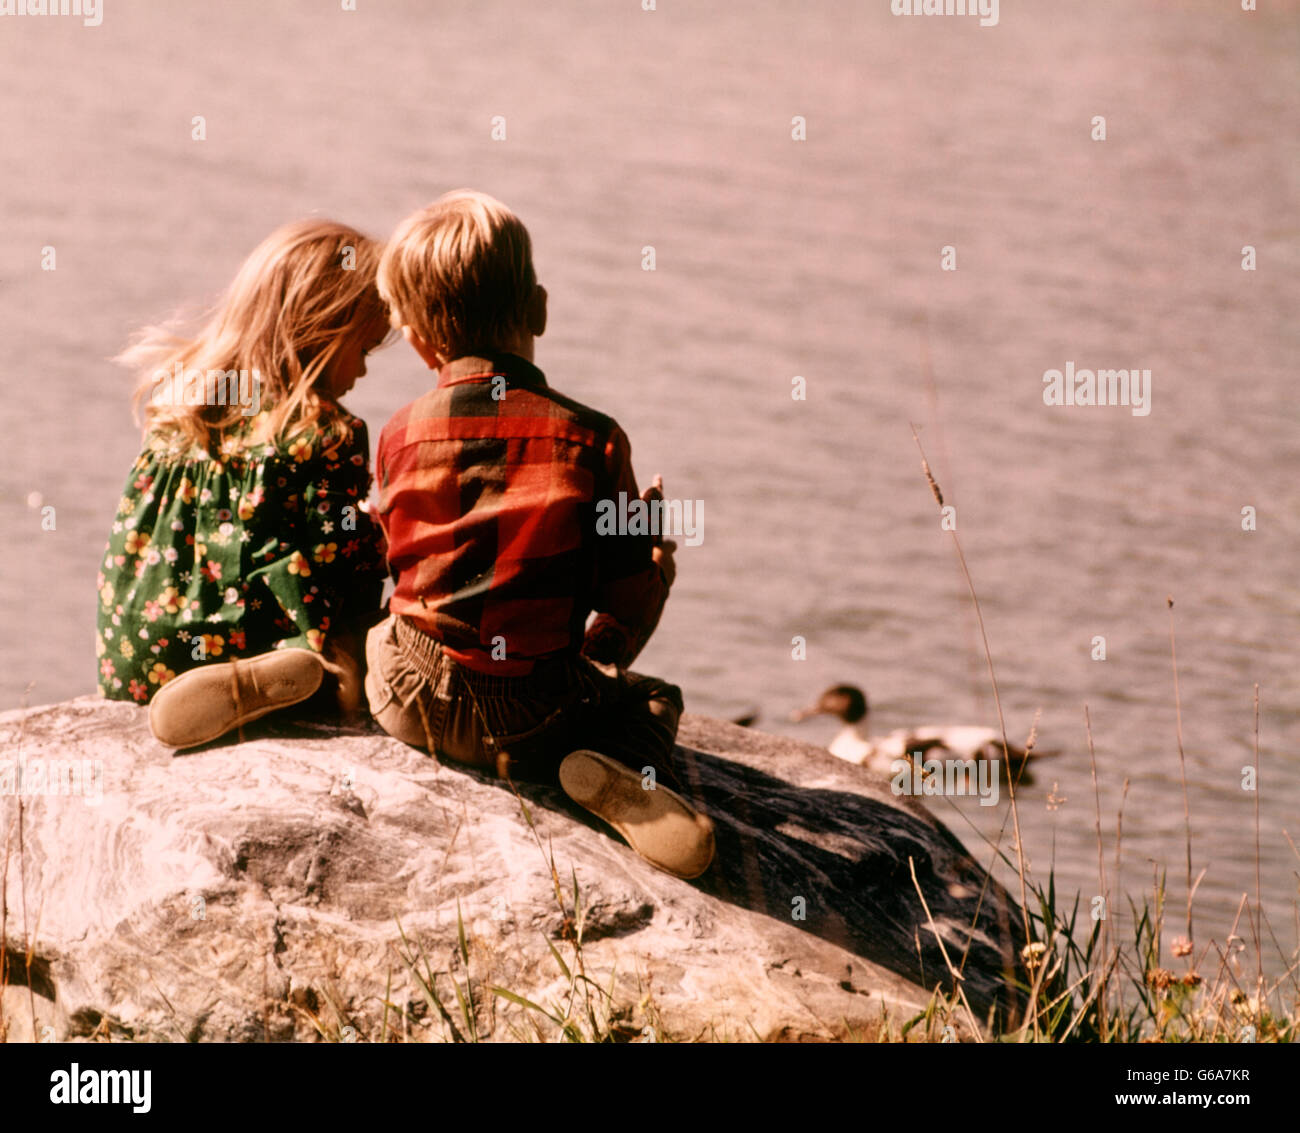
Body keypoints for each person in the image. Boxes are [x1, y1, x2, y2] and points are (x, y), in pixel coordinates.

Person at [367, 189, 714, 879]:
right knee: (654, 699)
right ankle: (619, 771)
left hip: (409, 699)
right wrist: (651, 563)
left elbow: (406, 558)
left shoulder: (399, 433)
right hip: (535, 719)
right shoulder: (593, 440)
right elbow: (622, 596)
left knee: (377, 632)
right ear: (540, 308)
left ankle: (330, 679)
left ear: (415, 339)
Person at [95, 219, 392, 748]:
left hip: (135, 654)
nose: (364, 373)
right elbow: (336, 567)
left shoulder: (179, 405)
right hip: (242, 639)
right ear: (320, 329)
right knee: (378, 649)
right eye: (364, 350)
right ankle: (281, 679)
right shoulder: (328, 431)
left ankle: (221, 683)